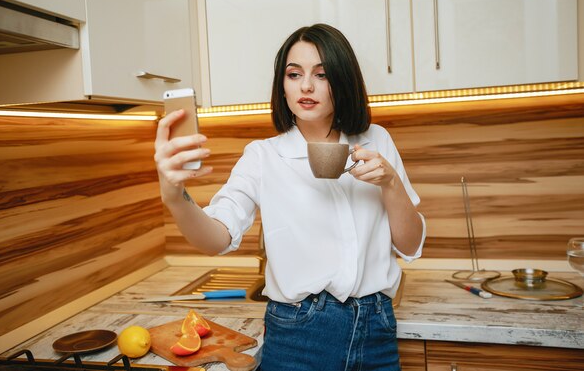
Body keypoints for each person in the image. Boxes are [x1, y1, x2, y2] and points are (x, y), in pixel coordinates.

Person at [154, 23, 426, 371]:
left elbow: (410, 245)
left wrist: (391, 183)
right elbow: (217, 237)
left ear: (342, 81)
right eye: (294, 74)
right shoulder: (263, 156)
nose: (306, 86)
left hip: (376, 329)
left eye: (322, 74)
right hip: (298, 335)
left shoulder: (376, 140)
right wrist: (175, 197)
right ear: (282, 86)